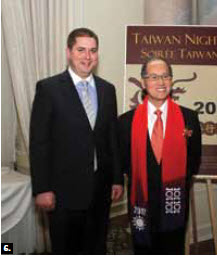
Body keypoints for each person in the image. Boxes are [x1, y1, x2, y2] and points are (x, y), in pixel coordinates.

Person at [30, 27, 123, 254]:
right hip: (62, 193)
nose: (87, 56)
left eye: (92, 51)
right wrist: (42, 189)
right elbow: (39, 142)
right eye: (81, 50)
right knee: (66, 248)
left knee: (95, 247)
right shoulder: (48, 89)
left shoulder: (107, 90)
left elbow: (112, 138)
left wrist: (117, 179)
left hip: (100, 191)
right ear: (69, 52)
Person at [118, 56, 201, 254]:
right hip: (141, 200)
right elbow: (123, 162)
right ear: (144, 82)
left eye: (165, 76)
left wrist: (173, 181)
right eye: (154, 77)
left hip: (175, 199)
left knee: (173, 248)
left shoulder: (189, 118)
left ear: (171, 81)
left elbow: (195, 160)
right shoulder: (125, 122)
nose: (161, 82)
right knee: (143, 248)